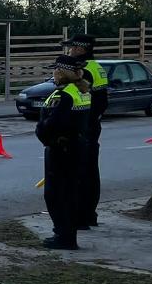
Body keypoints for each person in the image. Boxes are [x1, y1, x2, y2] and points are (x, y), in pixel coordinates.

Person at [35, 54, 92, 250]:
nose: (54, 73)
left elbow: (52, 124)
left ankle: (64, 236)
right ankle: (68, 235)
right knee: (70, 193)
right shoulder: (81, 90)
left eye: (55, 70)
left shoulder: (63, 95)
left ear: (60, 72)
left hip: (61, 149)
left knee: (56, 195)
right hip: (77, 147)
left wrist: (42, 132)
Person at [61, 34, 108, 228]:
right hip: (92, 127)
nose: (69, 51)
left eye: (71, 48)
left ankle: (80, 217)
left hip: (83, 129)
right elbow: (102, 102)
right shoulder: (97, 68)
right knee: (90, 172)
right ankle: (89, 214)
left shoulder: (83, 71)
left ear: (80, 49)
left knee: (80, 174)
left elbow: (82, 101)